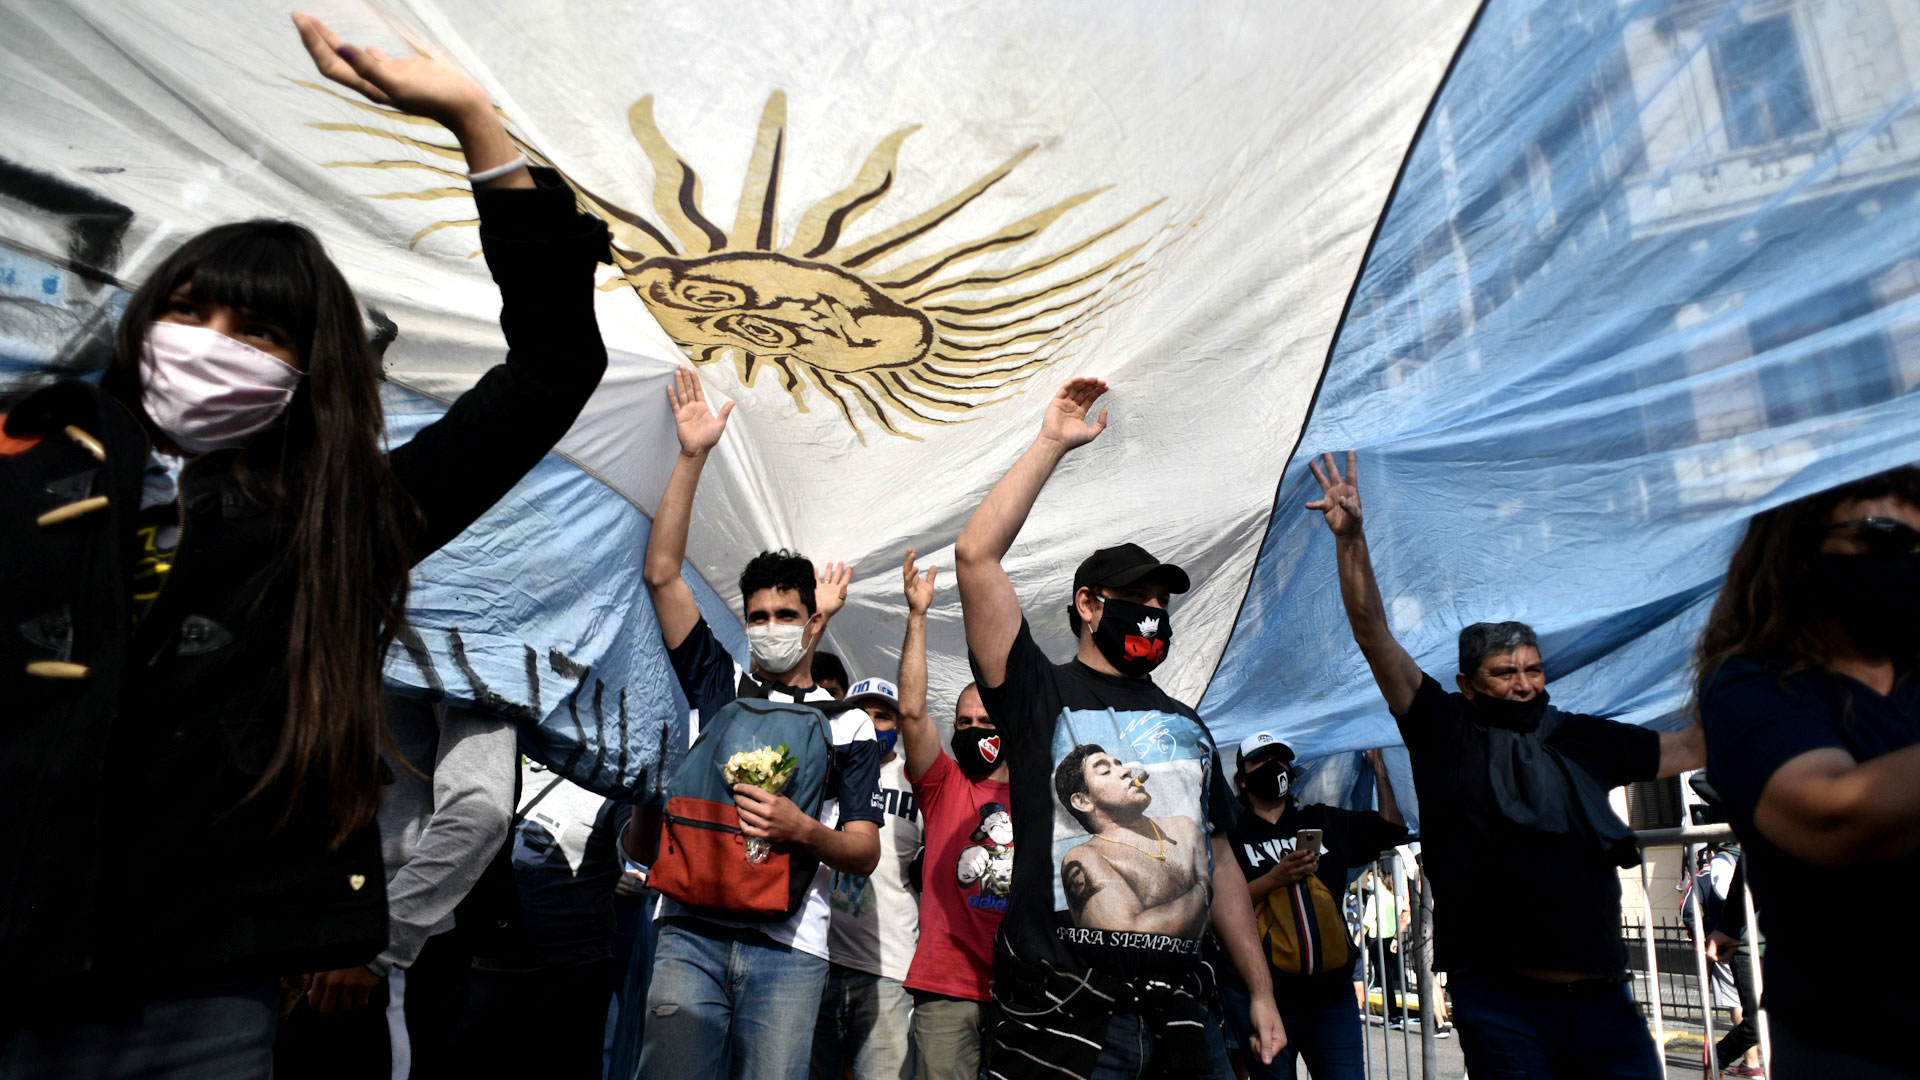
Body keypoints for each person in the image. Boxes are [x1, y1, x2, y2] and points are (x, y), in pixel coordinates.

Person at [0, 15, 608, 1078]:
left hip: (200, 1003)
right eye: (190, 312)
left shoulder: (344, 522)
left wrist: (474, 122)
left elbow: (553, 368)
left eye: (261, 332)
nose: (213, 347)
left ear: (312, 367)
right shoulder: (25, 466)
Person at [1307, 451, 1705, 1080]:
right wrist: (1351, 538)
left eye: (1533, 670)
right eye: (1505, 673)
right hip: (1501, 1002)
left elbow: (1688, 749)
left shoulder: (1579, 739)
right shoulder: (1443, 730)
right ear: (1468, 683)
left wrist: (1748, 651)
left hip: (1603, 998)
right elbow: (1372, 632)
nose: (1524, 685)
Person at [953, 377, 1285, 1078]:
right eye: (1135, 599)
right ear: (1088, 604)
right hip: (1063, 1021)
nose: (1152, 613)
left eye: (1161, 602)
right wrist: (1051, 444)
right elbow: (975, 557)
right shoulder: (1037, 695)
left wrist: (1260, 993)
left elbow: (1219, 863)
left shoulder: (1186, 724)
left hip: (1179, 1027)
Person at [631, 365, 880, 1080]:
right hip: (687, 934)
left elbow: (862, 849)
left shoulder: (850, 724)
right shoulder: (718, 682)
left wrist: (802, 832)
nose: (770, 627)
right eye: (758, 615)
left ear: (813, 623)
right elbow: (662, 575)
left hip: (792, 947)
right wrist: (693, 456)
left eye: (787, 616)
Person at [1695, 465, 1920, 1077]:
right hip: (1860, 1045)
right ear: (1796, 546)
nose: (1908, 559)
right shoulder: (1753, 685)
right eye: (1881, 537)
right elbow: (1837, 815)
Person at [276, 693, 517, 1080]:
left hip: (378, 961)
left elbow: (480, 810)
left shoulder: (458, 641)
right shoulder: (306, 637)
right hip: (282, 943)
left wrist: (380, 942)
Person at [1216, 737, 1408, 1079]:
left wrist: (1380, 768)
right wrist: (1275, 878)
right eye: (1262, 761)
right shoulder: (1230, 835)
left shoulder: (1321, 820)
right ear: (1242, 779)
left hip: (1331, 996)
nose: (1275, 767)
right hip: (1263, 997)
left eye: (1282, 759)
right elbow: (1219, 910)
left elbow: (1391, 828)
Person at [895, 551, 1013, 1080]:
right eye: (963, 721)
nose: (972, 728)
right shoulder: (943, 785)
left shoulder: (1040, 794)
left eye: (985, 719)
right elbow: (913, 711)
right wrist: (917, 616)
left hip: (1021, 989)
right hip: (947, 987)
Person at [451, 760, 626, 1080]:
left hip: (568, 981)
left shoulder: (611, 783)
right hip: (483, 974)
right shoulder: (500, 766)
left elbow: (642, 853)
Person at [814, 677, 923, 1080]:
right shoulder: (820, 770)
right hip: (816, 959)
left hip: (888, 970)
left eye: (884, 716)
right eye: (862, 713)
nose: (873, 723)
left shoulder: (920, 785)